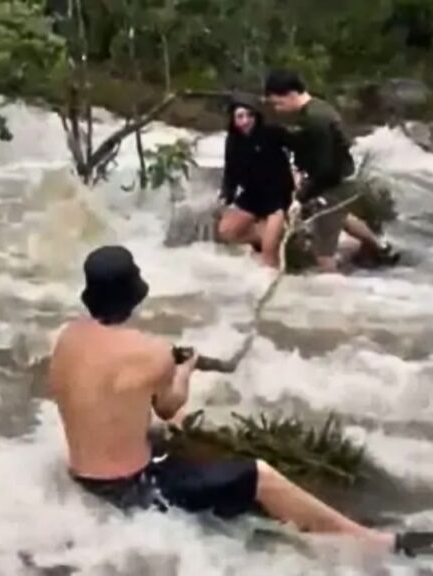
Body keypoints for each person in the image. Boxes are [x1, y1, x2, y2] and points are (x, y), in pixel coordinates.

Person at [48, 244, 432, 556]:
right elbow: (169, 406)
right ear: (133, 297)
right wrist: (185, 370)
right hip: (134, 492)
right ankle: (373, 544)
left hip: (83, 477)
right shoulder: (152, 352)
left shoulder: (66, 339)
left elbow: (107, 395)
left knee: (168, 439)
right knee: (261, 476)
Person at [264, 70, 399, 272]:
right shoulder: (317, 109)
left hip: (335, 185)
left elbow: (325, 169)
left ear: (291, 94)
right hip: (343, 179)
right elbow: (313, 149)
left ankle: (339, 297)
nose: (277, 109)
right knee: (340, 217)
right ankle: (381, 247)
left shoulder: (316, 120)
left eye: (278, 103)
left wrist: (300, 197)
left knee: (323, 256)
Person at [217, 95, 295, 268]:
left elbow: (300, 147)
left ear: (256, 116)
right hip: (252, 195)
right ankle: (263, 234)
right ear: (233, 119)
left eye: (249, 116)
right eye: (240, 116)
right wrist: (227, 195)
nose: (245, 121)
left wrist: (302, 174)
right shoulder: (232, 141)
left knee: (269, 252)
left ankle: (272, 251)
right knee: (226, 231)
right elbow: (230, 171)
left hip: (277, 197)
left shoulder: (272, 132)